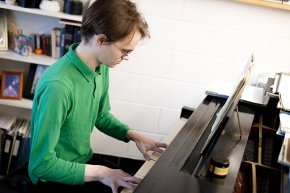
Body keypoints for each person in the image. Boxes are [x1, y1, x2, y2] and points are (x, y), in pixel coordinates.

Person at [28, 0, 167, 193]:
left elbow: (100, 116)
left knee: (138, 185)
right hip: (54, 176)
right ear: (101, 40)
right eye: (125, 51)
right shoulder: (58, 86)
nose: (125, 58)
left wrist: (134, 136)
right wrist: (102, 173)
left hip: (82, 161)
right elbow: (41, 165)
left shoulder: (100, 66)